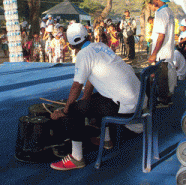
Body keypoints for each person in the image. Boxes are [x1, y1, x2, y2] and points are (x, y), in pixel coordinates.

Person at [50, 23, 140, 171]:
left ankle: (76, 157)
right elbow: (91, 79)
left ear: (71, 46)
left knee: (74, 109)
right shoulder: (100, 46)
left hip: (126, 107)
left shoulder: (83, 55)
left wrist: (66, 111)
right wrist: (85, 100)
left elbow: (76, 86)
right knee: (93, 100)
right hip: (138, 101)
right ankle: (106, 140)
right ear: (88, 36)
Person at [148, 0, 176, 106]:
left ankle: (164, 100)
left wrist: (154, 54)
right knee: (164, 75)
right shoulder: (168, 11)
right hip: (167, 50)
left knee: (162, 77)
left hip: (162, 52)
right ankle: (165, 97)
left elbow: (161, 36)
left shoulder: (161, 13)